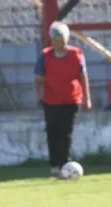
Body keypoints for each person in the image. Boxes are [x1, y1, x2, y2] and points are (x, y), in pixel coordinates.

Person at [34, 21, 91, 178]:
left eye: (62, 39)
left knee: (66, 132)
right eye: (56, 40)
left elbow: (83, 77)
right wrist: (38, 94)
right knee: (52, 132)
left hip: (71, 100)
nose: (59, 43)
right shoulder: (45, 56)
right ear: (52, 40)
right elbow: (38, 78)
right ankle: (54, 166)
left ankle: (65, 165)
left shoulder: (76, 55)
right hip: (51, 100)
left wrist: (87, 98)